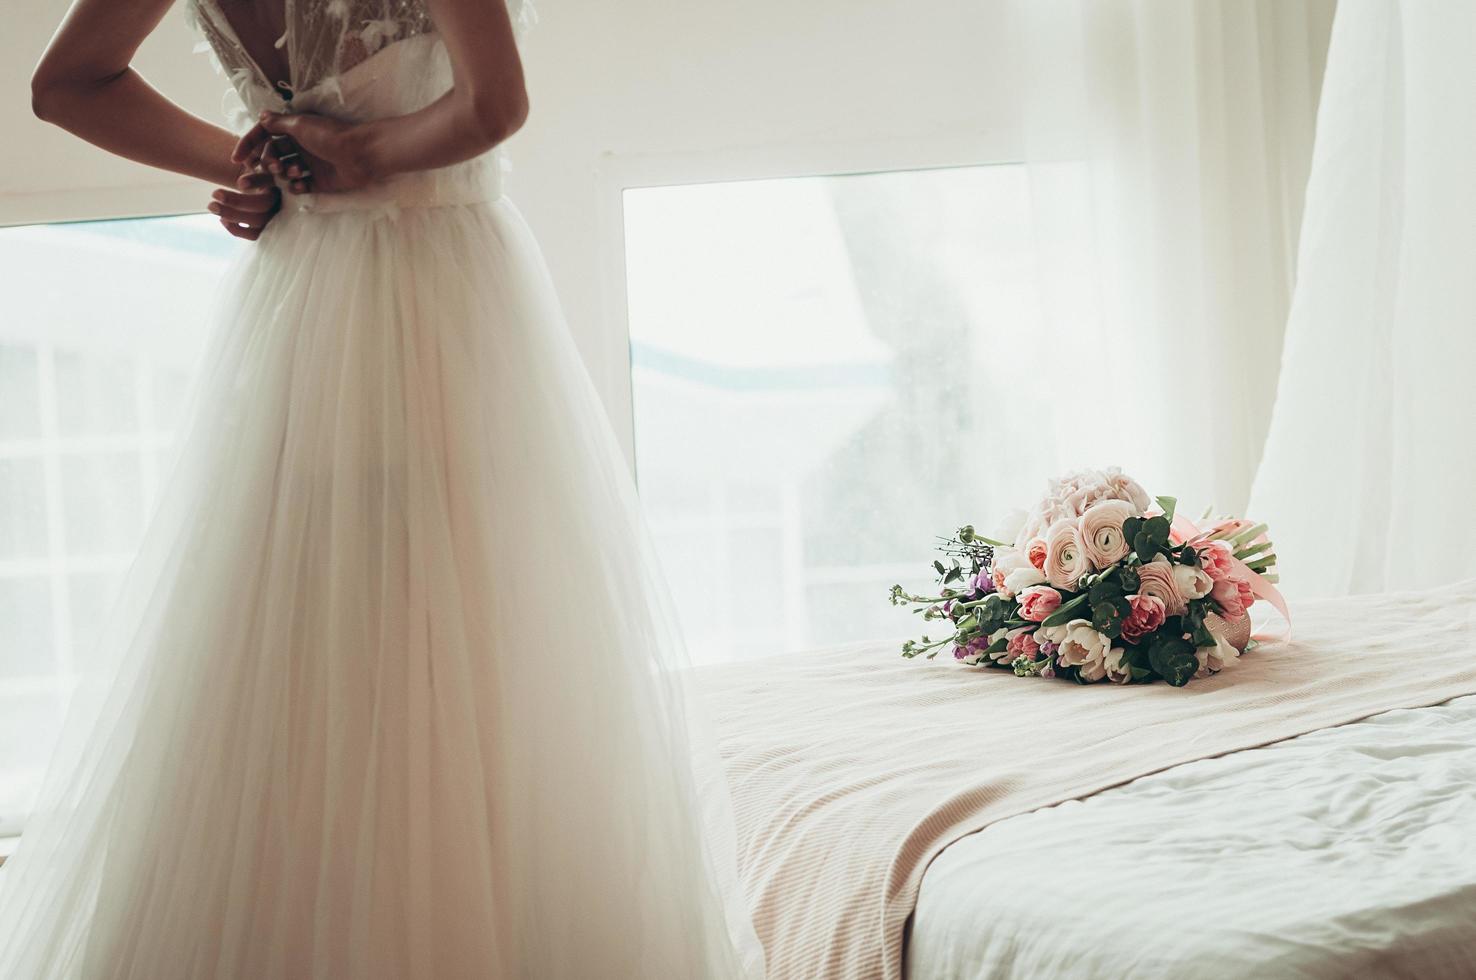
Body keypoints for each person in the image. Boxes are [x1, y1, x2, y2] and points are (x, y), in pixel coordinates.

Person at [1, 1, 765, 977]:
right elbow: (493, 106)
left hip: (307, 297)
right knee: (482, 631)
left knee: (300, 624)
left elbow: (65, 83)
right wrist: (370, 155)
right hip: (441, 279)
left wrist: (253, 161)